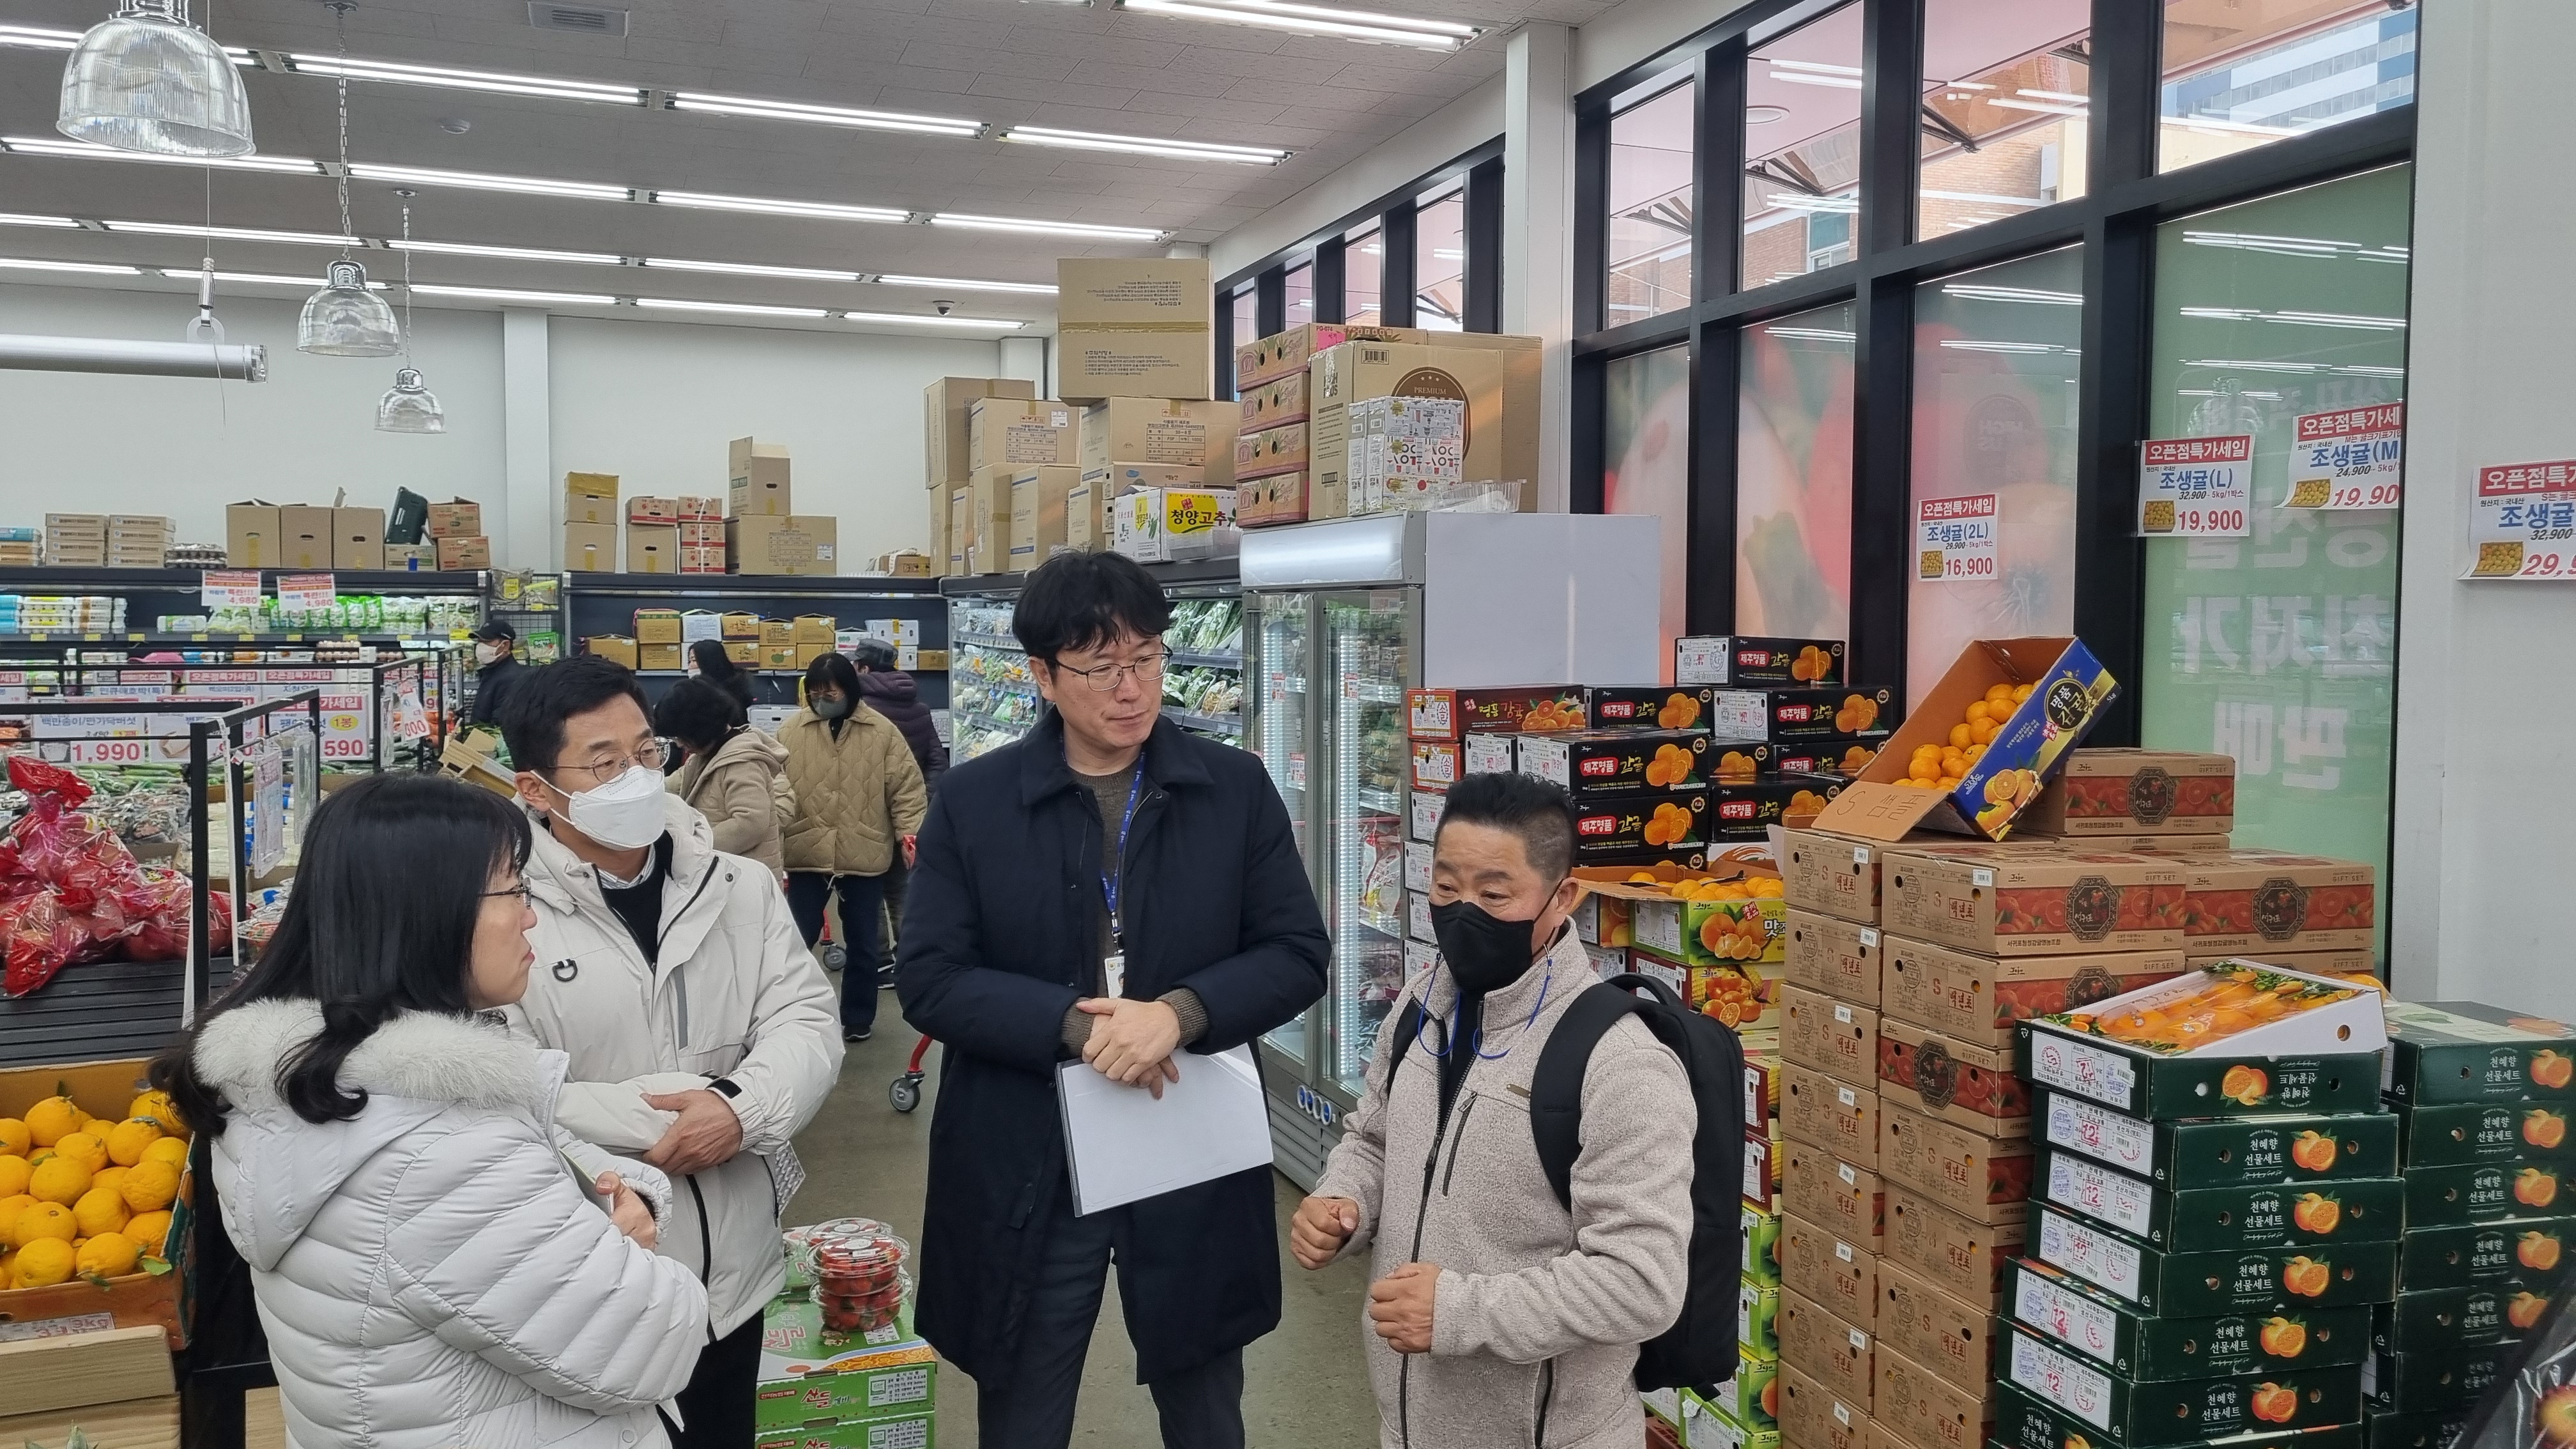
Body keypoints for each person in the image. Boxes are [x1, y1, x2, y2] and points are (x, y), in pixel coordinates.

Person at [896, 550, 1329, 1449]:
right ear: (1043, 675)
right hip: (1031, 1146)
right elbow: (931, 976)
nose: (1131, 689)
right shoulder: (976, 803)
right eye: (1100, 667)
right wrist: (1073, 1027)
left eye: (1147, 659)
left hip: (1188, 1133)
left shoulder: (1232, 789)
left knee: (1204, 1398)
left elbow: (1295, 953)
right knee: (1024, 1395)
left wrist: (1179, 1014)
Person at [158, 772, 710, 1449]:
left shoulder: (304, 1084)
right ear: (428, 911)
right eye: (514, 889)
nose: (531, 916)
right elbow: (649, 1345)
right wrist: (639, 1252)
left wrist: (622, 1202)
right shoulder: (441, 1153)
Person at [498, 656, 844, 1449]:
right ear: (536, 789)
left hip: (735, 1275)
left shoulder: (738, 888)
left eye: (646, 752)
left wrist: (739, 1110)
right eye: (603, 763)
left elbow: (805, 1021)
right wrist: (677, 1116)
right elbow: (507, 1084)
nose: (635, 777)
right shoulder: (500, 912)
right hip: (595, 1275)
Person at [1291, 771, 1697, 1449]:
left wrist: (1458, 1313)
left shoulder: (1622, 1064)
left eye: (1494, 894)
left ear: (1562, 897)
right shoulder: (1421, 1005)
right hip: (1407, 1425)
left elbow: (1641, 1282)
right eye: (1446, 888)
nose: (1463, 912)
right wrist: (1344, 1202)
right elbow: (1374, 1139)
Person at [779, 650, 926, 1041]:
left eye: (830, 693)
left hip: (864, 850)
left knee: (864, 943)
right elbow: (773, 787)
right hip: (806, 850)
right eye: (815, 693)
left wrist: (910, 836)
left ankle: (857, 1017)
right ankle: (787, 1013)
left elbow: (907, 790)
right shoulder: (791, 731)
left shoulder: (881, 732)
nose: (822, 700)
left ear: (849, 689)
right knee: (796, 939)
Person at [848, 636, 945, 972]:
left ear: (864, 668)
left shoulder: (859, 711)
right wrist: (919, 802)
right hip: (908, 817)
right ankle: (912, 962)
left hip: (865, 816)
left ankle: (879, 962)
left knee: (868, 894)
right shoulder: (919, 707)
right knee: (904, 891)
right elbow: (936, 761)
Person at [654, 677, 791, 875]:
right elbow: (675, 784)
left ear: (700, 727)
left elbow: (751, 823)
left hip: (741, 879)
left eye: (681, 737)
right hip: (721, 873)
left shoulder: (742, 762)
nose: (679, 744)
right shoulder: (705, 757)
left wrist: (694, 846)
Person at [469, 618, 528, 727]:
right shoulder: (492, 672)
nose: (480, 646)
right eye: (479, 642)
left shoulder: (510, 680)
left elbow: (498, 727)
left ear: (505, 645)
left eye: (487, 642)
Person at [690, 639, 757, 712]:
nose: (690, 666)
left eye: (694, 661)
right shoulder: (690, 691)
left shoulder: (732, 695)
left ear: (709, 662)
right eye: (689, 661)